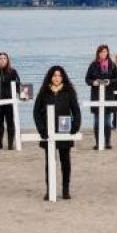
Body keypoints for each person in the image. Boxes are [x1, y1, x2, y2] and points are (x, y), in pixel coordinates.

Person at [33, 66, 82, 200]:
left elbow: (76, 111)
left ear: (63, 77)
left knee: (65, 161)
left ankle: (65, 189)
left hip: (64, 132)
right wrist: (41, 129)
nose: (56, 78)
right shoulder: (44, 92)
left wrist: (75, 126)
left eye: (59, 75)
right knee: (49, 162)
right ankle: (50, 190)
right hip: (47, 133)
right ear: (50, 77)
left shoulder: (69, 91)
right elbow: (36, 112)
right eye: (54, 75)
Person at [85, 44, 117, 149]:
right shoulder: (93, 65)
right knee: (97, 121)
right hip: (96, 95)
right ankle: (98, 142)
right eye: (101, 52)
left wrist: (110, 81)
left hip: (109, 95)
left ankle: (107, 142)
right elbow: (87, 79)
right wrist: (94, 82)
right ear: (98, 53)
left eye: (105, 52)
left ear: (107, 53)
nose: (103, 54)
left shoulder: (112, 65)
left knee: (108, 121)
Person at [0, 52, 22, 150]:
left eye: (4, 58)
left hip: (9, 101)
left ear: (7, 60)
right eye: (0, 58)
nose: (2, 60)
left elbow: (18, 85)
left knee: (10, 122)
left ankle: (10, 144)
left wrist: (23, 94)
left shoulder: (12, 72)